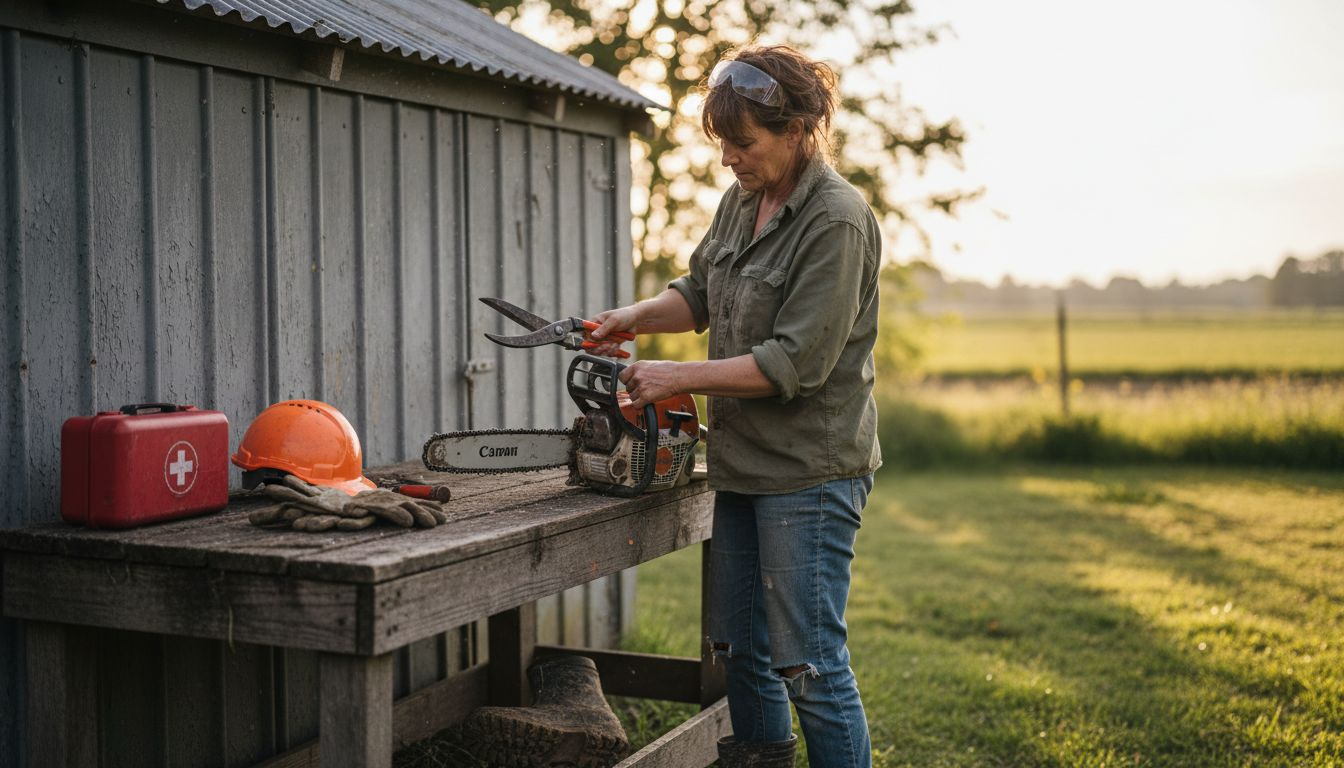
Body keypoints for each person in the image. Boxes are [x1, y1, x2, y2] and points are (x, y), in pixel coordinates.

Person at [589, 44, 882, 768]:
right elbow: (697, 292)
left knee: (807, 664)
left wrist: (673, 378)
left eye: (742, 143)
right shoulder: (743, 200)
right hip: (744, 467)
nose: (728, 159)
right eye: (722, 143)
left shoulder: (837, 221)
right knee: (740, 650)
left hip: (809, 474)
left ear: (799, 131)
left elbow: (795, 364)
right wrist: (631, 317)